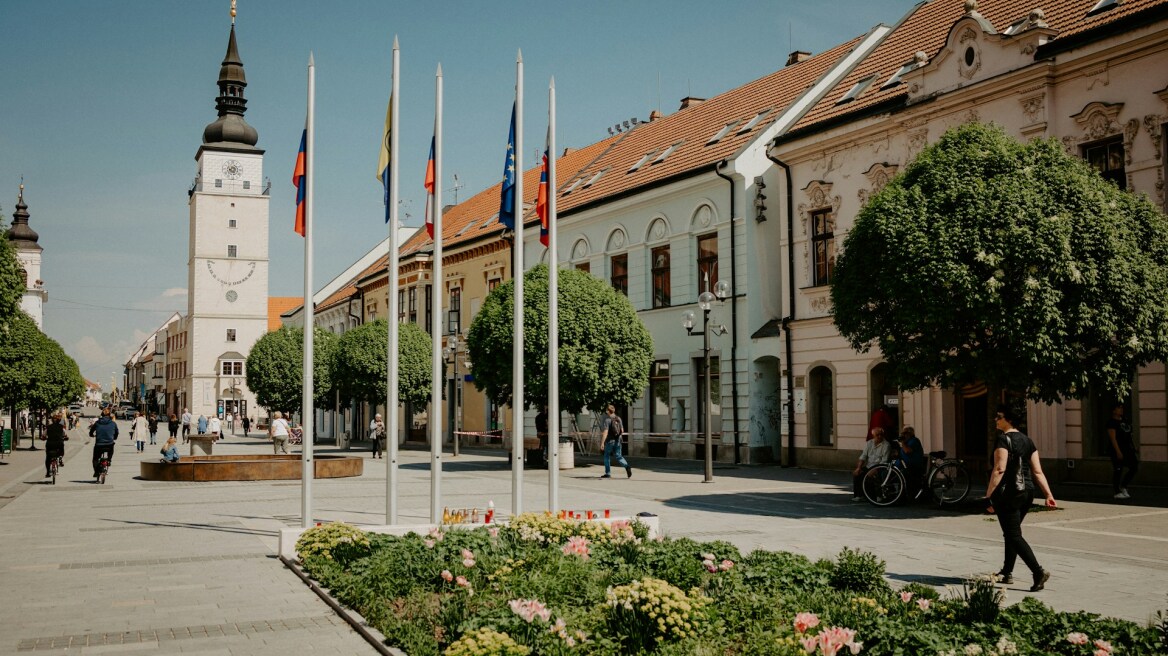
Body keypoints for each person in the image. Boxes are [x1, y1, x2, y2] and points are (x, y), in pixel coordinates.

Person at [986, 405, 1055, 592]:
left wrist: (989, 495)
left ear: (1008, 420)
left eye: (998, 416)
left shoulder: (1003, 439)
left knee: (1013, 535)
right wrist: (1048, 494)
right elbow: (1037, 471)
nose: (995, 419)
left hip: (1008, 493)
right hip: (1027, 492)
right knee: (1012, 532)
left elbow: (999, 469)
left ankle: (1038, 572)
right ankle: (1007, 572)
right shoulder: (1028, 440)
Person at [1106, 404, 1139, 500]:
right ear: (1113, 411)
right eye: (1118, 408)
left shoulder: (1125, 420)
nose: (1121, 410)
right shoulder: (1111, 423)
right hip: (1117, 449)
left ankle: (1124, 486)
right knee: (1118, 470)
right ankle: (1117, 491)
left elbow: (1129, 435)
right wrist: (1118, 451)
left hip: (1128, 449)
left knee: (1134, 467)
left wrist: (1134, 446)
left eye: (1122, 408)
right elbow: (1113, 439)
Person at [852, 427, 891, 501]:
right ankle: (860, 495)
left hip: (880, 467)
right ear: (873, 435)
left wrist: (874, 470)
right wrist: (858, 468)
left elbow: (884, 461)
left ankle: (878, 495)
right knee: (858, 474)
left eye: (881, 434)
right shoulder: (869, 443)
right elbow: (863, 456)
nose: (880, 436)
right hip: (869, 466)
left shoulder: (886, 445)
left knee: (874, 476)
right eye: (877, 435)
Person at [601, 404, 631, 479]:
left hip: (610, 441)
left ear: (608, 411)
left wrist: (602, 443)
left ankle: (608, 473)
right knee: (619, 456)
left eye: (606, 410)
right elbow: (622, 430)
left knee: (606, 456)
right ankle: (627, 466)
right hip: (618, 440)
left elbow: (605, 432)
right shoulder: (619, 419)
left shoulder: (607, 420)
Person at [89, 407, 119, 478]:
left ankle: (96, 472)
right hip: (109, 444)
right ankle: (109, 460)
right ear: (109, 415)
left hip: (99, 444)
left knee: (95, 459)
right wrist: (114, 437)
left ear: (102, 414)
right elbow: (117, 432)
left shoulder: (97, 423)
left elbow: (91, 431)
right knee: (111, 448)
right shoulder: (113, 423)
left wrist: (91, 435)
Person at [899, 426, 926, 499]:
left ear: (910, 434)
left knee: (902, 474)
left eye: (905, 433)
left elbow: (907, 451)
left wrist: (903, 442)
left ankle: (903, 496)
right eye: (902, 433)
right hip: (906, 465)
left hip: (914, 467)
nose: (903, 435)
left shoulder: (914, 441)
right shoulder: (907, 442)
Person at [44, 412, 67, 478]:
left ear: (51, 420)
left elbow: (44, 435)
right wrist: (66, 437)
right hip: (59, 444)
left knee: (48, 458)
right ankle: (60, 457)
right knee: (61, 450)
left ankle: (48, 472)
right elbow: (65, 434)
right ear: (58, 420)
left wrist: (43, 437)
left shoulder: (48, 427)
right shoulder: (61, 427)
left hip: (50, 444)